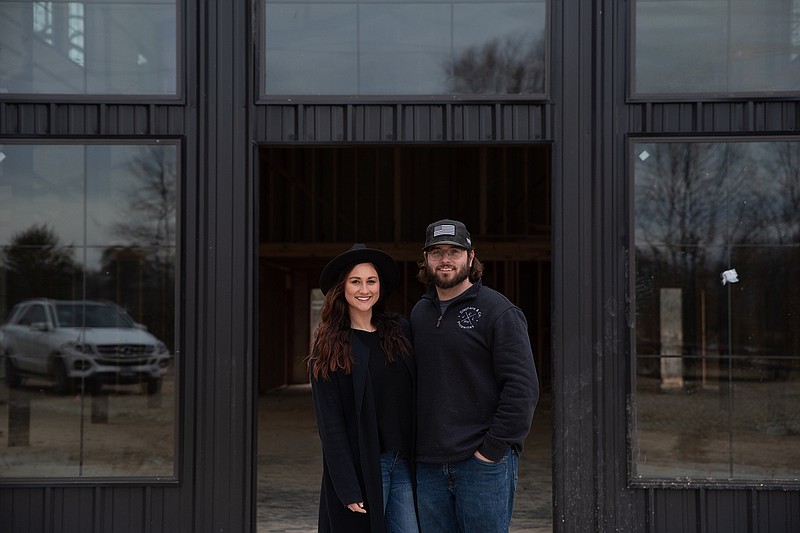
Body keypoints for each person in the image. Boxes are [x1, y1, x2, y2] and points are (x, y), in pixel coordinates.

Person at [411, 219, 539, 532]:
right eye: (436, 252)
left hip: (481, 464)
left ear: (470, 257)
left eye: (454, 251)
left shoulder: (498, 311)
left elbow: (522, 388)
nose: (445, 259)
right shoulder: (419, 313)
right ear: (426, 260)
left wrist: (491, 451)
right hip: (428, 465)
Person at [308, 243, 419, 533]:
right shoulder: (330, 347)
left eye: (371, 281)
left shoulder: (399, 331)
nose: (364, 289)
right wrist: (347, 486)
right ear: (342, 287)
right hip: (364, 466)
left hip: (404, 462)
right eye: (355, 281)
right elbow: (330, 425)